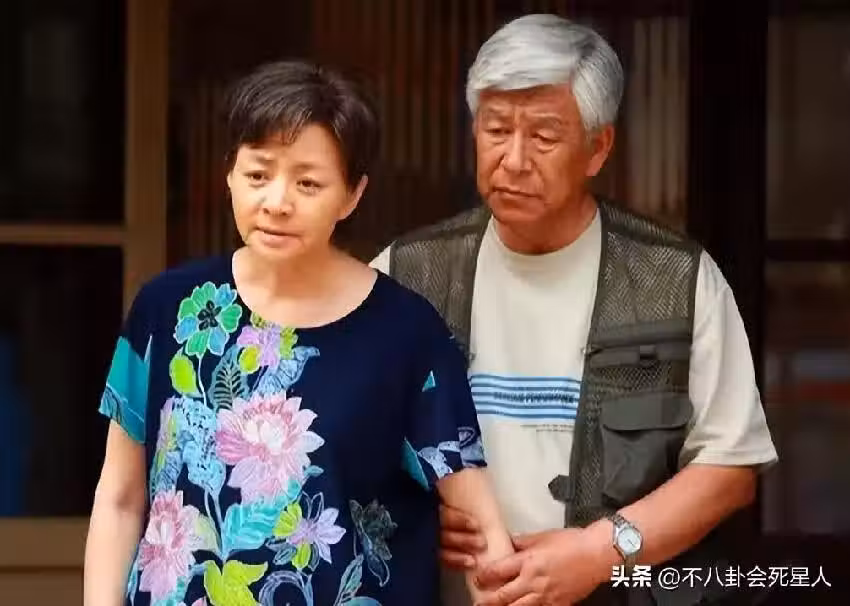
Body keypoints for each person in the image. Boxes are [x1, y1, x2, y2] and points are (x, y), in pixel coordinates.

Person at [372, 14, 778, 606]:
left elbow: (729, 468)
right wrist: (409, 512)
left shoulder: (678, 278)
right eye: (495, 129)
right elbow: (332, 435)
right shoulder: (405, 274)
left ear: (598, 148)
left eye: (543, 136)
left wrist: (598, 552)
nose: (513, 159)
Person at [84, 60, 514, 606]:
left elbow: (479, 527)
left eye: (308, 183)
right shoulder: (168, 309)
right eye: (258, 175)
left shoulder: (407, 333)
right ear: (229, 174)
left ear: (353, 194)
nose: (277, 202)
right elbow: (121, 499)